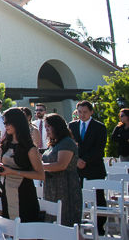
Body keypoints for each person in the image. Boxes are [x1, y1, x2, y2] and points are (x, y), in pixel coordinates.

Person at [0, 107, 45, 223]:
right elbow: (5, 165)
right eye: (4, 123)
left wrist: (13, 172)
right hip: (7, 192)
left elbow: (41, 175)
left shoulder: (30, 148)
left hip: (25, 194)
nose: (5, 125)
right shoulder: (5, 144)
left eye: (8, 123)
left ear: (17, 123)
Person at [68, 100, 108, 234]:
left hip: (94, 167)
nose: (82, 114)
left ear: (91, 112)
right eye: (79, 112)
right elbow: (70, 145)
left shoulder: (99, 127)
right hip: (77, 168)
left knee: (98, 198)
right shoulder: (72, 126)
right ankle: (77, 226)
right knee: (77, 197)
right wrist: (77, 160)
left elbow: (99, 147)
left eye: (85, 112)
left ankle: (100, 228)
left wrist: (84, 160)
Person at [41, 113, 81, 227]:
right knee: (53, 222)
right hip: (51, 186)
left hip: (65, 188)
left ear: (57, 126)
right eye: (45, 128)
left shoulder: (67, 142)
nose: (47, 130)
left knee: (66, 224)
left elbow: (61, 165)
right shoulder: (54, 144)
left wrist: (39, 166)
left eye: (49, 127)